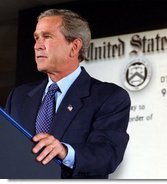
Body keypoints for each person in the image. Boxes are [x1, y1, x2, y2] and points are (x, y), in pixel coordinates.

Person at [5, 9, 131, 179]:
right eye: (36, 37)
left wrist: (65, 151)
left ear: (74, 46)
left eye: (47, 36)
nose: (38, 45)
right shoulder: (19, 97)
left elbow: (107, 155)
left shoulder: (109, 97)